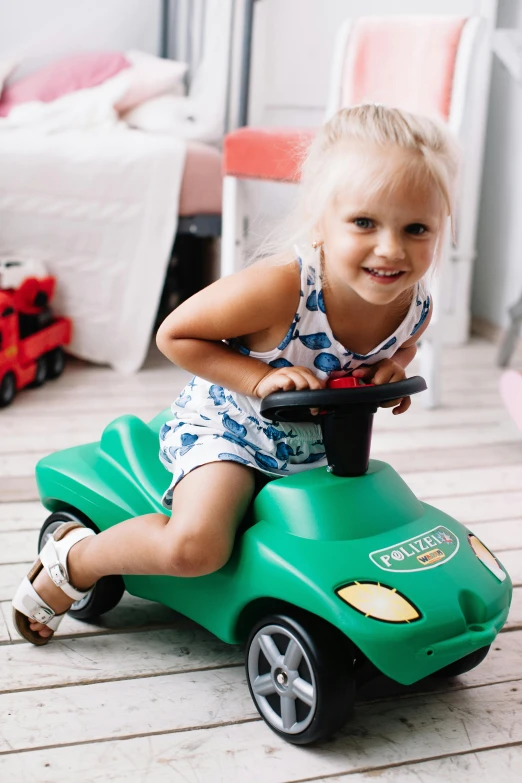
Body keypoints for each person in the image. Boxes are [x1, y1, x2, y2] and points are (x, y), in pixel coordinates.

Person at [13, 104, 459, 644]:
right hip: (231, 429)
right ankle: (75, 561)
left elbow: (406, 342)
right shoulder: (280, 289)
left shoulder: (415, 303)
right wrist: (256, 379)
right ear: (321, 219)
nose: (391, 249)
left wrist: (394, 366)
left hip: (317, 443)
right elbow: (175, 334)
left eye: (417, 229)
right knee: (197, 547)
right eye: (364, 222)